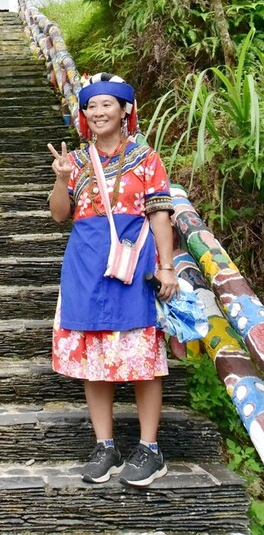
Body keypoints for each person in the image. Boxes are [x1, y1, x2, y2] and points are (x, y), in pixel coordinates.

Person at [47, 72, 178, 487]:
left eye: (107, 104)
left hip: (134, 264)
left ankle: (150, 449)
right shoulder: (79, 160)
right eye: (91, 106)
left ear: (125, 110)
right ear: (84, 114)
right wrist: (63, 177)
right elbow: (58, 214)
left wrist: (167, 266)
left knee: (143, 358)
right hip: (85, 263)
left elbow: (160, 213)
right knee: (92, 359)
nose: (98, 111)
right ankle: (106, 446)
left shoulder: (146, 158)